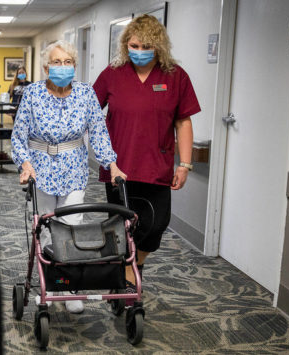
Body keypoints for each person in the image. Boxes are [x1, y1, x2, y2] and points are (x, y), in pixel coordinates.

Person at [11, 40, 126, 314]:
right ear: (45, 67)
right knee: (48, 229)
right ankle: (52, 284)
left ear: (74, 66)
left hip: (74, 167)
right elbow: (18, 135)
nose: (62, 67)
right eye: (56, 62)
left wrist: (113, 165)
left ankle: (71, 286)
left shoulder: (86, 94)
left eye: (67, 62)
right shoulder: (33, 93)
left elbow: (98, 131)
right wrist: (25, 164)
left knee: (72, 227)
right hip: (40, 168)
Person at [93, 14, 201, 301]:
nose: (139, 51)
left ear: (159, 46)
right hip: (118, 165)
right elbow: (90, 112)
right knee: (118, 227)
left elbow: (183, 122)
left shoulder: (175, 76)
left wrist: (186, 164)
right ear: (126, 44)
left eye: (146, 46)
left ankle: (134, 265)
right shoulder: (112, 73)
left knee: (155, 224)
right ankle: (124, 276)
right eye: (134, 45)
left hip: (157, 166)